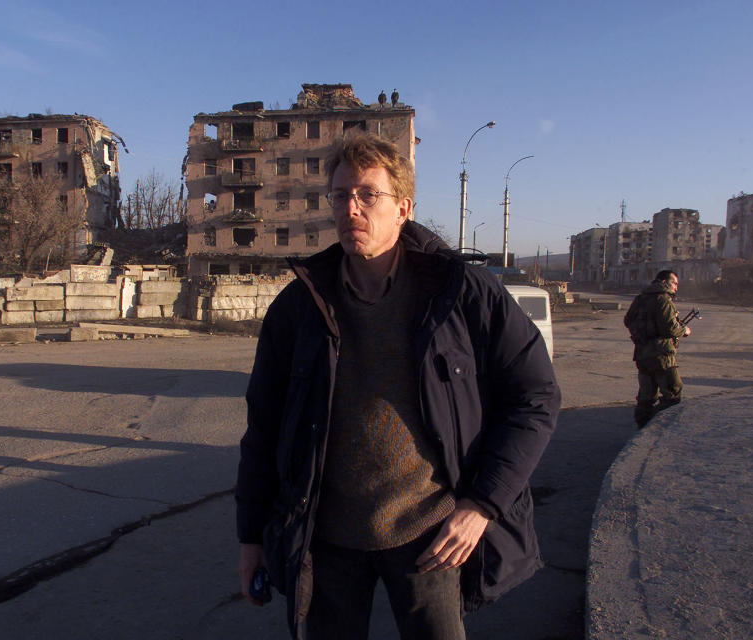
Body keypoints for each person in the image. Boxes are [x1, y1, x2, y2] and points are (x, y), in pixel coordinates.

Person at [236, 133, 561, 640]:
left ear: (403, 207)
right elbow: (264, 429)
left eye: (369, 194)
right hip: (329, 539)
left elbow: (535, 398)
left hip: (429, 536)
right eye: (341, 196)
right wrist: (251, 537)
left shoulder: (462, 292)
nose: (352, 209)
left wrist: (481, 505)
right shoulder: (299, 307)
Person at [623, 270, 690, 428]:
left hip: (642, 354)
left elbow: (628, 320)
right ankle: (656, 426)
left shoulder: (641, 298)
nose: (676, 288)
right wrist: (684, 331)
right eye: (674, 283)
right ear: (664, 282)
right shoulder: (663, 299)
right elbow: (670, 329)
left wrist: (642, 333)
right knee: (673, 392)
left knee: (646, 396)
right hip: (662, 356)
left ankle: (643, 426)